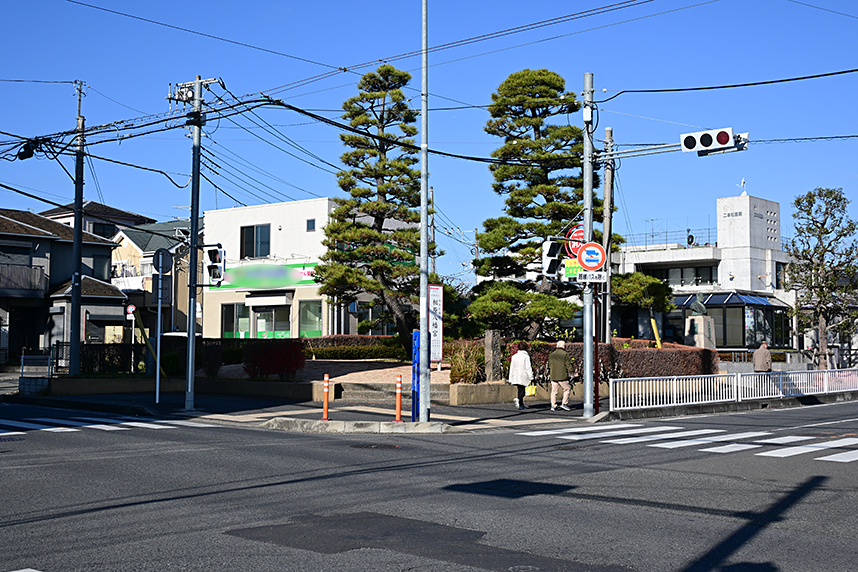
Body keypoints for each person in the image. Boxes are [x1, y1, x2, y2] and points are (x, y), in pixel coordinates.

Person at [548, 340, 573, 411]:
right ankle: (564, 403)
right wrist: (572, 371)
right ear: (563, 346)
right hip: (562, 375)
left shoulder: (552, 354)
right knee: (567, 389)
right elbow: (568, 365)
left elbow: (549, 365)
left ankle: (553, 405)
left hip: (553, 375)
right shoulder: (565, 354)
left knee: (554, 391)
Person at [508, 341, 533, 410]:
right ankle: (518, 399)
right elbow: (528, 367)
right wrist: (531, 376)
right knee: (522, 391)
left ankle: (521, 404)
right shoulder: (526, 356)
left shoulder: (514, 356)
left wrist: (510, 377)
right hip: (523, 376)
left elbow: (511, 367)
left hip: (515, 375)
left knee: (520, 389)